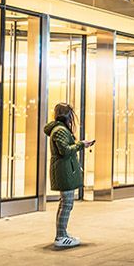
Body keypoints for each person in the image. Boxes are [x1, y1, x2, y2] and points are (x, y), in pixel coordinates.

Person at [43, 103, 94, 248]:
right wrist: (81, 145)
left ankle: (62, 234)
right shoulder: (60, 130)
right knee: (67, 204)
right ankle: (61, 236)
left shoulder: (60, 129)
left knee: (65, 204)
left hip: (64, 170)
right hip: (63, 171)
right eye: (71, 114)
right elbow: (64, 150)